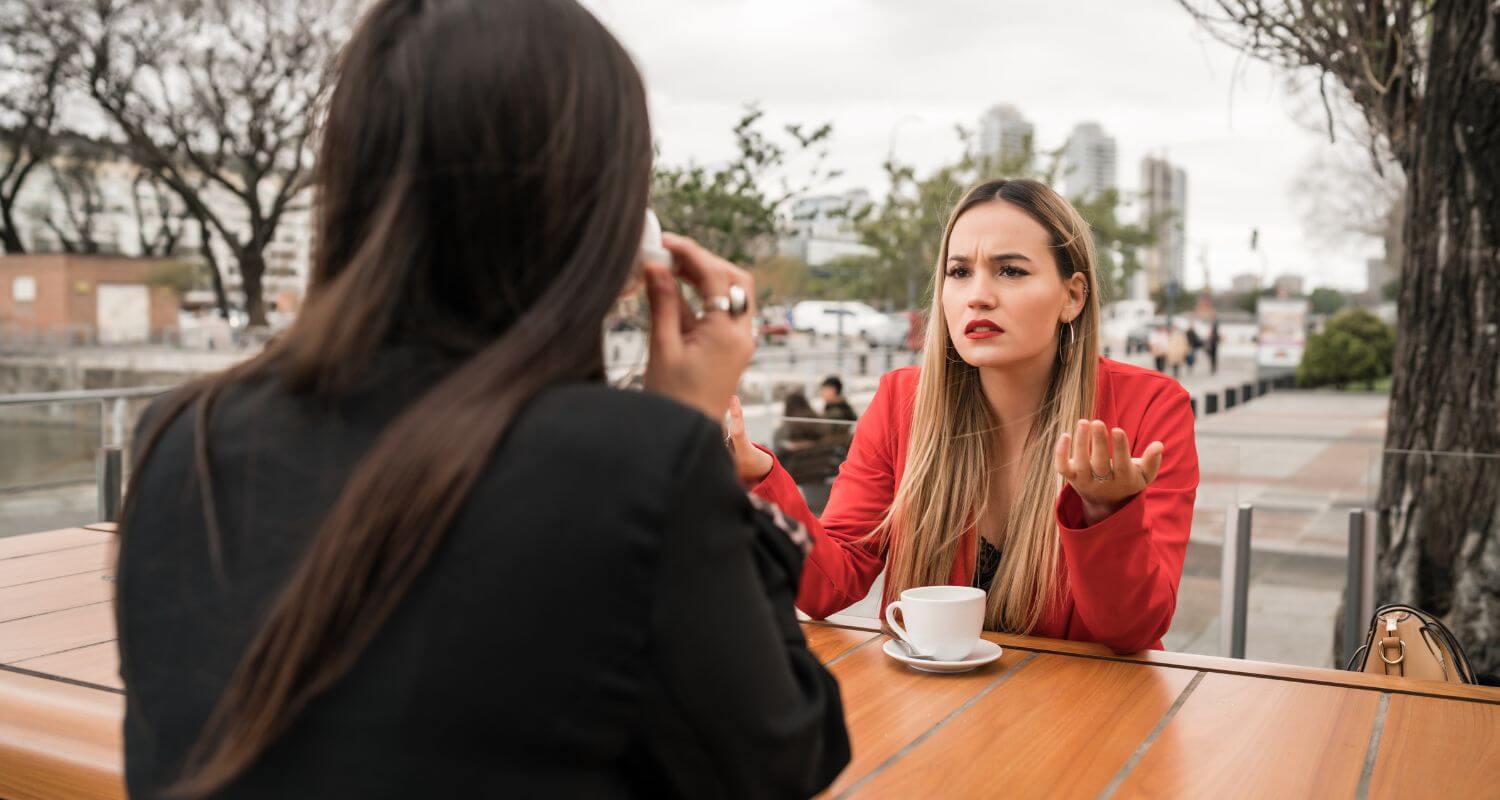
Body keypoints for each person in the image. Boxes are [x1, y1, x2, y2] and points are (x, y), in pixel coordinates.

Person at [114, 1, 848, 797]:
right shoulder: (633, 465)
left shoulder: (179, 437)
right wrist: (693, 432)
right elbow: (784, 758)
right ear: (599, 211)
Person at [726, 179, 1199, 654]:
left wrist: (1106, 512)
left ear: (1072, 297)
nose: (979, 295)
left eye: (1010, 271)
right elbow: (831, 585)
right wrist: (755, 470)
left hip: (1089, 713)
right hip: (934, 710)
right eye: (959, 272)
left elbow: (1132, 630)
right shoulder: (900, 402)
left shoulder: (1149, 408)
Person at [774, 391, 830, 455]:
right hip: (821, 461)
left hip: (792, 462)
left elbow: (777, 451)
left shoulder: (785, 429)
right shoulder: (818, 422)